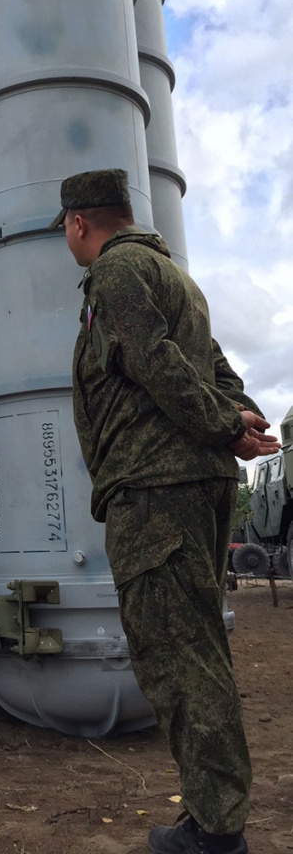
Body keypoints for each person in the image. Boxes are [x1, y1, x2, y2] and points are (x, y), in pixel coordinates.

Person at [49, 169, 280, 854]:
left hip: (156, 489)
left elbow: (154, 363)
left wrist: (222, 423)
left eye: (65, 228)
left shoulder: (117, 275)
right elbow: (220, 373)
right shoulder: (177, 279)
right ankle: (211, 813)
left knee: (179, 658)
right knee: (196, 650)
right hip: (192, 485)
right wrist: (237, 419)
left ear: (78, 223)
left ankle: (217, 830)